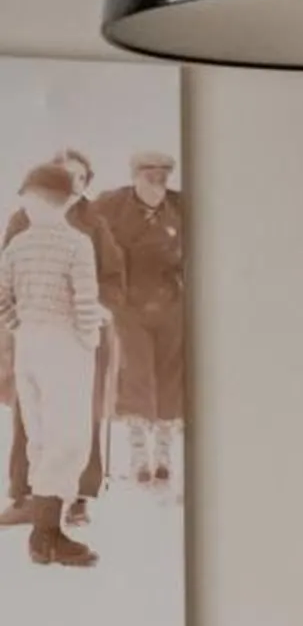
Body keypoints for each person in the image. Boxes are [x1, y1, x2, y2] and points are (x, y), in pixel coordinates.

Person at [0, 149, 124, 533]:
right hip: (55, 339)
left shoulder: (93, 224)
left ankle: (75, 500)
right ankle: (32, 502)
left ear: (84, 187)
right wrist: (19, 324)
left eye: (79, 177)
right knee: (38, 420)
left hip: (62, 335)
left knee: (72, 421)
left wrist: (94, 323)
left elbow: (110, 280)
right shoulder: (22, 226)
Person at [97, 145, 185, 495]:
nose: (157, 186)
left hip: (171, 304)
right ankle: (137, 454)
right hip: (128, 304)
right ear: (135, 178)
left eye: (163, 179)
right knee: (136, 374)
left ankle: (163, 455)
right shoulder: (111, 205)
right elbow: (90, 239)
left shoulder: (180, 207)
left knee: (169, 377)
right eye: (150, 179)